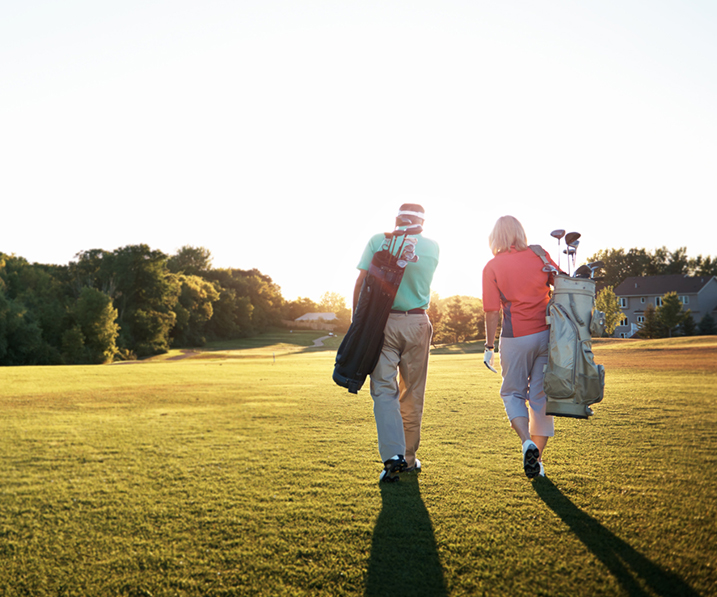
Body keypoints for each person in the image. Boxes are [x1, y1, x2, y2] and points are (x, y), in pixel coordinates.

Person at [354, 204, 440, 483]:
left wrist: (357, 322)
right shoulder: (433, 247)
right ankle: (410, 459)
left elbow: (361, 282)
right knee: (412, 393)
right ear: (422, 222)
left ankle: (393, 457)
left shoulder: (378, 241)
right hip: (417, 322)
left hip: (382, 323)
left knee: (383, 390)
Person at [482, 215, 560, 479]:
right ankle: (537, 462)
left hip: (516, 338)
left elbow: (492, 312)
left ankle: (526, 442)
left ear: (496, 237)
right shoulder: (539, 254)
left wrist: (488, 346)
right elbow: (560, 285)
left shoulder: (492, 266)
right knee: (540, 399)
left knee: (513, 394)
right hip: (546, 335)